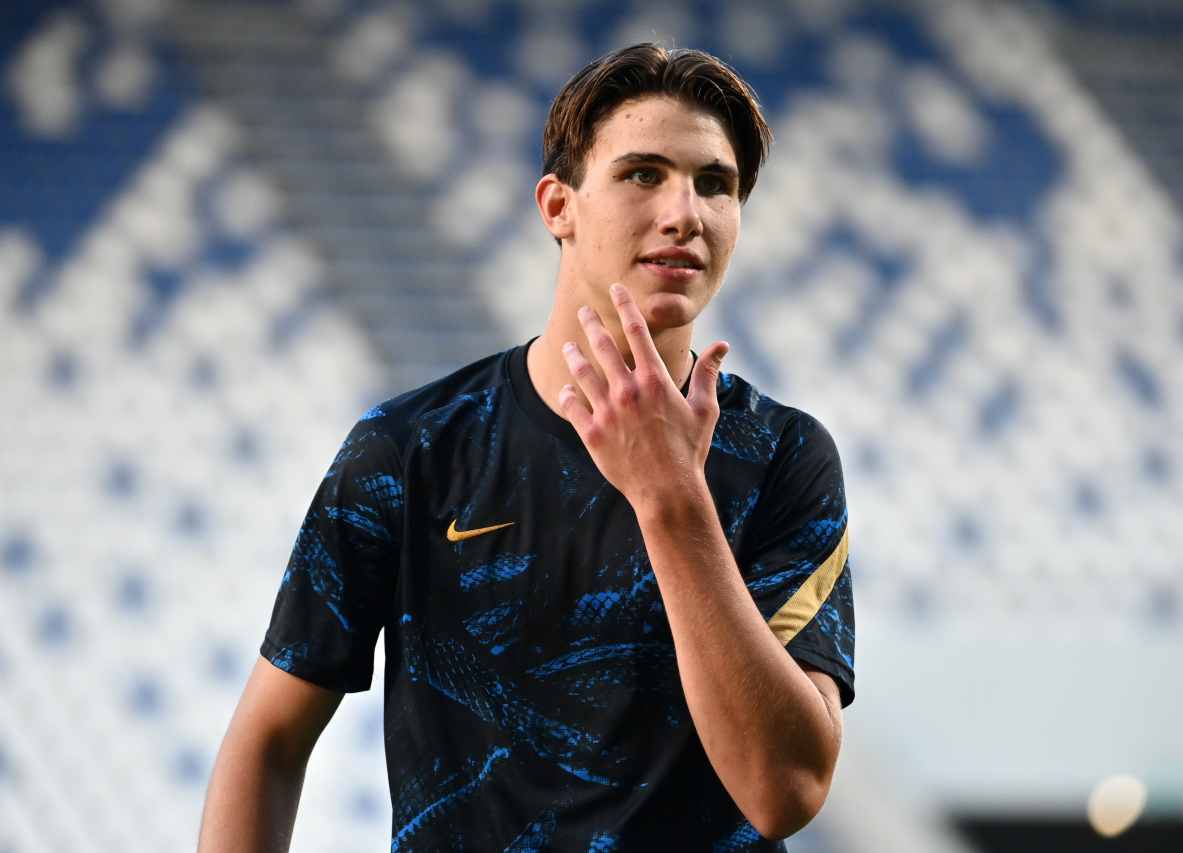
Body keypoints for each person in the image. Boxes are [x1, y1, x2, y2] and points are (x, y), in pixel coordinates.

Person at [198, 43, 855, 851]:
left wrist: (670, 498)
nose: (685, 212)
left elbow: (784, 790)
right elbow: (267, 738)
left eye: (714, 184)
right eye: (643, 174)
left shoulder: (784, 455)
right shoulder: (410, 450)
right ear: (557, 206)